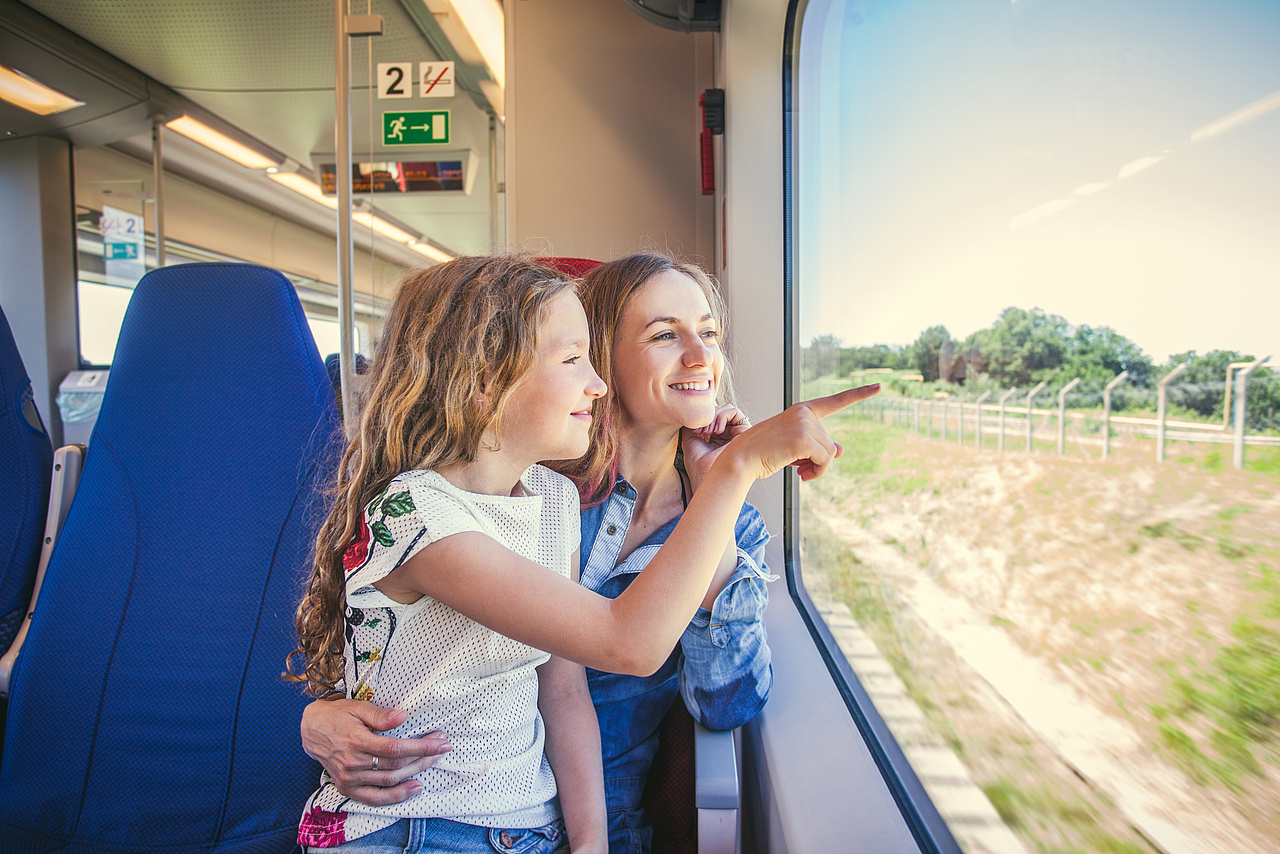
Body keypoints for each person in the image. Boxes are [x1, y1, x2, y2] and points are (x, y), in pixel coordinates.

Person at [298, 254, 880, 852]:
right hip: (434, 816)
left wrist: (715, 500)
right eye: (664, 335)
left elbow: (723, 702)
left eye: (708, 333)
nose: (702, 357)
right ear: (600, 354)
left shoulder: (713, 522)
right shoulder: (512, 485)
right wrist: (318, 717)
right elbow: (402, 655)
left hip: (587, 817)